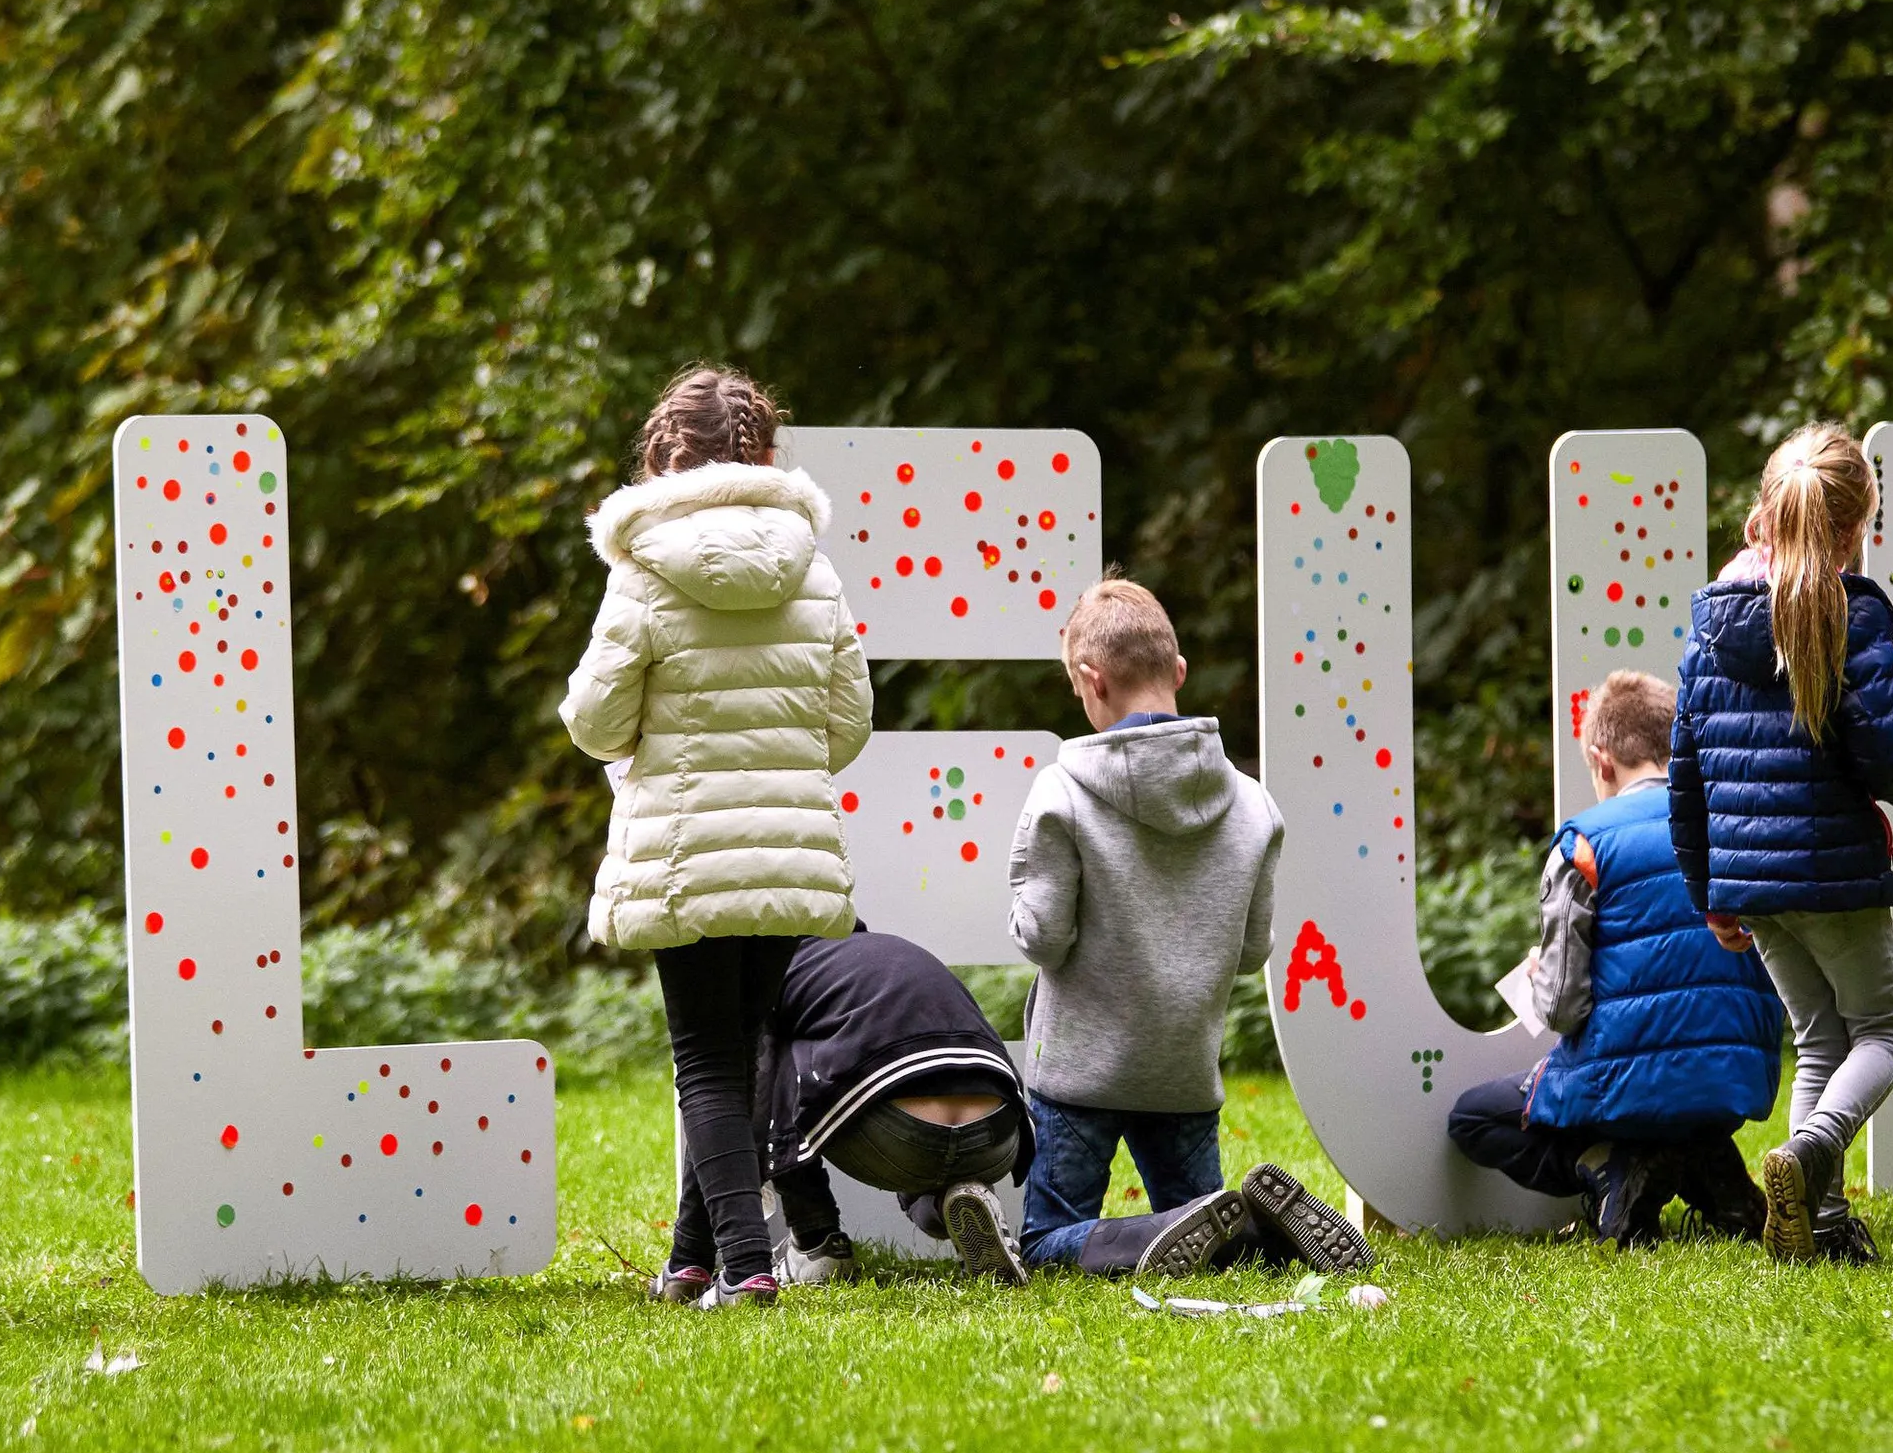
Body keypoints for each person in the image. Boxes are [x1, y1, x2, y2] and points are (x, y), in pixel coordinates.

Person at [561, 365, 872, 1306]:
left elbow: (595, 723)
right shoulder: (811, 569)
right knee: (740, 1047)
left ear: (663, 454)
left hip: (684, 848)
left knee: (705, 1054)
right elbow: (850, 722)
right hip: (785, 849)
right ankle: (690, 1260)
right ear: (765, 456)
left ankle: (742, 1268)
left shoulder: (644, 568)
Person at [1007, 579, 1370, 1278]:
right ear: (1178, 671)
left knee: (1047, 1243)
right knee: (1213, 1240)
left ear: (1091, 680)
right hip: (1183, 1070)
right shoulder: (1253, 803)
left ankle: (1172, 1226)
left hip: (1079, 1071)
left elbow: (1043, 937)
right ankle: (1257, 1230)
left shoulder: (1061, 791)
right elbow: (1252, 953)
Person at [1671, 423, 1893, 1266]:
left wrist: (1711, 891)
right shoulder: (1851, 619)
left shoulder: (1710, 627)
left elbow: (1686, 778)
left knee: (1820, 1040)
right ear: (1855, 529)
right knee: (1886, 1034)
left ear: (1759, 521)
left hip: (1748, 883)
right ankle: (1812, 1153)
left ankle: (1818, 1225)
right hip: (1834, 874)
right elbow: (1892, 768)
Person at [1446, 670, 1783, 1247]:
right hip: (1733, 1080)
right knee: (1682, 1107)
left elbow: (1561, 1008)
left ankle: (1608, 1162)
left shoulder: (1584, 843)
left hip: (1623, 1093)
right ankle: (1705, 1164)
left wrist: (1540, 972)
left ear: (1602, 761)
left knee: (1473, 1118)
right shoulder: (1735, 826)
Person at [755, 927, 1034, 1285]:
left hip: (904, 1138)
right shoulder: (889, 951)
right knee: (893, 1066)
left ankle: (817, 1243)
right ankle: (951, 1205)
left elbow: (754, 1093)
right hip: (997, 1136)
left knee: (771, 1057)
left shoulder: (777, 966)